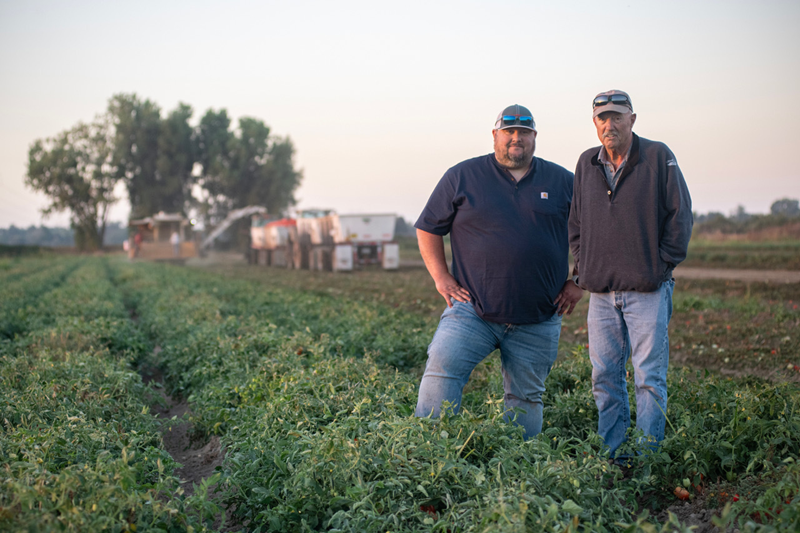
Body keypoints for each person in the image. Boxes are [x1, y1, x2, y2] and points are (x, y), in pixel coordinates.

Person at [414, 104, 583, 439]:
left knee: (526, 398)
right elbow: (428, 227)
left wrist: (578, 280)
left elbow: (593, 233)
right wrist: (441, 277)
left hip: (538, 317)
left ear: (534, 137)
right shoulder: (462, 176)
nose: (516, 138)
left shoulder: (563, 181)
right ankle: (429, 452)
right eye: (509, 131)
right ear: (495, 135)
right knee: (441, 371)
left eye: (524, 132)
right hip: (471, 311)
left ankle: (515, 467)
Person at [568, 90, 693, 458]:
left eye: (617, 116)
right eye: (602, 118)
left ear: (632, 119)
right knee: (604, 378)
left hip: (647, 291)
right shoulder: (585, 163)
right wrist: (585, 261)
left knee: (648, 379)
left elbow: (680, 215)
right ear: (595, 124)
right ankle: (615, 455)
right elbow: (576, 222)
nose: (610, 124)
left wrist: (661, 265)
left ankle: (648, 458)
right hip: (602, 295)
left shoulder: (658, 156)